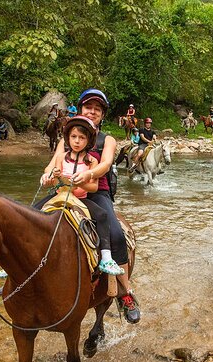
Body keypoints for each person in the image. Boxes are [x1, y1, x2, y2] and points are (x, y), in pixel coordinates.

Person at [39, 88, 141, 324]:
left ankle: (125, 292)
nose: (92, 111)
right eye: (88, 107)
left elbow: (105, 165)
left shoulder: (108, 139)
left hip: (96, 193)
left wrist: (88, 175)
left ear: (102, 114)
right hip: (63, 191)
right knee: (29, 218)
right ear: (81, 109)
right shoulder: (67, 139)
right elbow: (51, 165)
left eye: (97, 109)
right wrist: (48, 176)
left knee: (115, 233)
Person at [40, 115, 124, 276]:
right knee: (31, 212)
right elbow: (54, 181)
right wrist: (49, 177)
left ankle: (106, 257)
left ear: (88, 141)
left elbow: (93, 188)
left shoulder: (92, 161)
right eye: (73, 137)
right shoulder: (60, 157)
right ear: (68, 138)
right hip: (60, 197)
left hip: (81, 199)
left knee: (102, 215)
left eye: (81, 138)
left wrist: (80, 183)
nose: (77, 141)